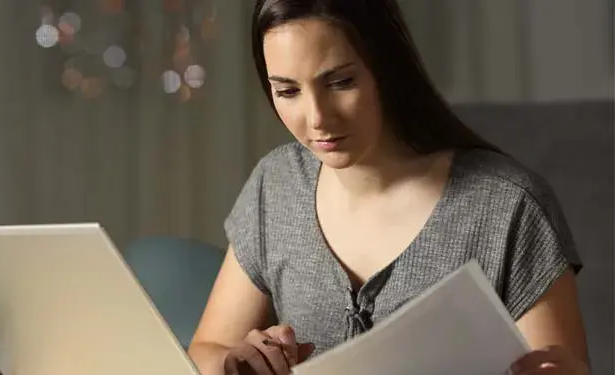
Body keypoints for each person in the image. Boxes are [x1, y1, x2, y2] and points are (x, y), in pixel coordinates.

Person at [187, 0, 590, 374]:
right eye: (287, 91)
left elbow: (559, 366)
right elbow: (207, 348)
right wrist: (238, 362)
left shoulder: (508, 207)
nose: (317, 118)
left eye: (340, 82)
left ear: (386, 69)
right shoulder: (275, 187)